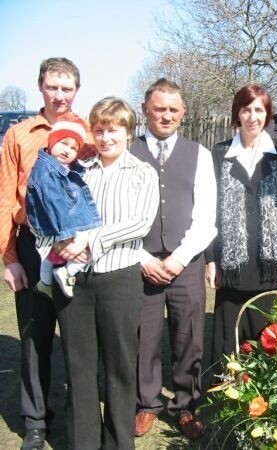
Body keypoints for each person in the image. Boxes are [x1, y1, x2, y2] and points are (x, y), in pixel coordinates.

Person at [47, 97, 159, 449]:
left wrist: (92, 240)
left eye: (113, 130)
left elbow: (140, 222)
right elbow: (59, 211)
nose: (106, 137)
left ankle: (117, 442)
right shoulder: (79, 170)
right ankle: (83, 442)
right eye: (99, 130)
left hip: (119, 279)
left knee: (119, 368)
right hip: (76, 281)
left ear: (128, 132)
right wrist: (63, 242)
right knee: (79, 368)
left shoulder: (143, 172)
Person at [0, 57, 90, 450]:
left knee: (78, 337)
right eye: (52, 86)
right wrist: (10, 258)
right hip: (33, 246)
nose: (59, 95)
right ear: (40, 87)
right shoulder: (19, 135)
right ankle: (35, 422)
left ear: (76, 91)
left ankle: (80, 416)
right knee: (35, 338)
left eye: (66, 88)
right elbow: (5, 199)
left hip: (79, 249)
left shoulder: (88, 132)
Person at [131, 78, 217, 440]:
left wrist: (179, 259)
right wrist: (142, 258)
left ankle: (185, 405)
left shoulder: (200, 154)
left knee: (188, 336)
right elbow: (114, 216)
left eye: (173, 109)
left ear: (183, 113)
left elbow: (206, 217)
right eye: (159, 108)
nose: (166, 115)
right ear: (145, 110)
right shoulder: (127, 151)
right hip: (139, 262)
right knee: (142, 337)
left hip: (186, 262)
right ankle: (147, 402)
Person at [206, 84, 277, 363]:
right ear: (237, 113)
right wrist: (211, 260)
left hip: (270, 265)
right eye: (246, 110)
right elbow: (211, 211)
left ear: (268, 115)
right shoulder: (219, 154)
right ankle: (226, 397)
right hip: (232, 267)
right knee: (229, 342)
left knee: (269, 339)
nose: (252, 117)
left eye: (259, 110)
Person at [26, 114, 102, 299]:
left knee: (49, 255)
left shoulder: (57, 167)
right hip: (62, 225)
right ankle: (67, 272)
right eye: (63, 143)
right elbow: (54, 203)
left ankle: (45, 282)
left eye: (74, 148)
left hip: (56, 225)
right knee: (93, 240)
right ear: (51, 142)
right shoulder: (47, 171)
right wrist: (67, 235)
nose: (67, 150)